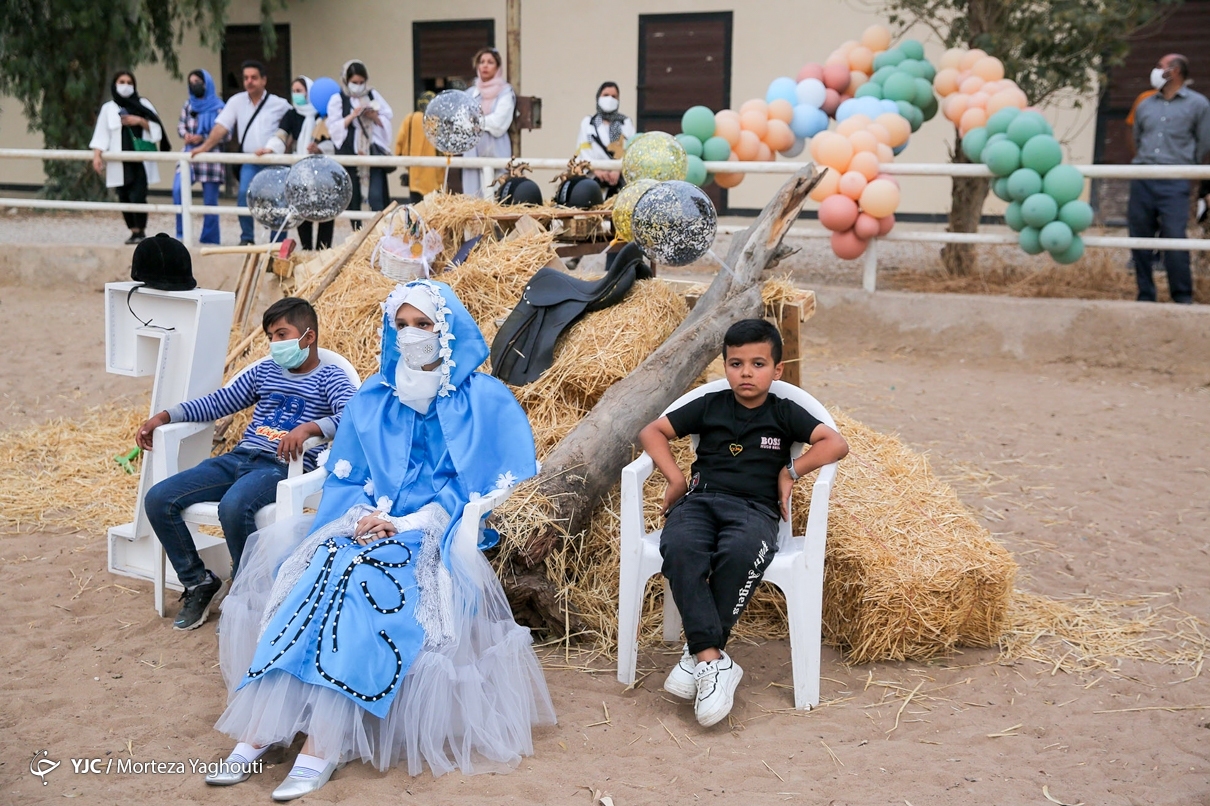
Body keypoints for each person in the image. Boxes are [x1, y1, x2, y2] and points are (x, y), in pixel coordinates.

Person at [206, 280, 555, 799]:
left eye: (423, 324)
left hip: (431, 532)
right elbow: (350, 474)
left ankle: (324, 741)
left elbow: (478, 486)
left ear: (447, 329)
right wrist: (366, 514)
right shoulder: (376, 393)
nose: (411, 335)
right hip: (365, 520)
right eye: (402, 325)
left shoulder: (483, 398)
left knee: (363, 578)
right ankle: (262, 729)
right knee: (319, 565)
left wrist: (410, 524)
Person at [638, 319, 849, 727]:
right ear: (724, 366)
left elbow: (835, 443)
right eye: (736, 364)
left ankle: (698, 654)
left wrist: (791, 471)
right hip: (698, 501)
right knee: (679, 548)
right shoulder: (711, 404)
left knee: (738, 553)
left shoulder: (783, 412)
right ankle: (713, 660)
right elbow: (652, 431)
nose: (746, 372)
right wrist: (676, 477)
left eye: (758, 363)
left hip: (755, 510)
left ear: (777, 369)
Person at [137, 296, 357, 631]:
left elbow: (354, 415)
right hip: (239, 458)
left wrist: (311, 428)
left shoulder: (330, 377)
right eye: (271, 336)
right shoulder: (266, 371)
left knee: (234, 506)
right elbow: (218, 402)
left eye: (282, 334)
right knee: (158, 498)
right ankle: (198, 582)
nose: (275, 344)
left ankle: (246, 591)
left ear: (308, 336)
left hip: (282, 468)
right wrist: (166, 415)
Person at [1128, 53, 1210, 304]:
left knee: (1174, 237)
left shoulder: (1198, 105)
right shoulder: (1145, 103)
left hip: (1175, 180)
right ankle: (1145, 295)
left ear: (1174, 71)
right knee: (1139, 237)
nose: (1155, 71)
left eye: (1160, 66)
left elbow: (1204, 142)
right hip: (1143, 178)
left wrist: (1186, 167)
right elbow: (1136, 138)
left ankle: (1182, 296)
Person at [192, 60, 291, 245]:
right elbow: (222, 127)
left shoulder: (280, 104)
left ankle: (277, 243)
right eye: (246, 78)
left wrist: (284, 147)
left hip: (275, 162)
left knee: (279, 201)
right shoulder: (236, 101)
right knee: (244, 195)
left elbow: (291, 127)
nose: (249, 81)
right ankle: (247, 239)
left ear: (264, 80)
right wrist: (204, 147)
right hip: (250, 160)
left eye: (254, 77)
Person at [89, 71, 166, 244]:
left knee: (138, 196)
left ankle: (141, 231)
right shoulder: (109, 108)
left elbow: (157, 129)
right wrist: (97, 156)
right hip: (119, 162)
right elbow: (101, 134)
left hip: (140, 160)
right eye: (121, 81)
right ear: (115, 84)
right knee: (123, 196)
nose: (125, 85)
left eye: (129, 82)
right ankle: (133, 231)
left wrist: (139, 121)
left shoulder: (143, 104)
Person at [267, 76, 336, 250]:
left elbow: (334, 140)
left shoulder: (325, 115)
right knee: (302, 209)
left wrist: (320, 149)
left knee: (325, 211)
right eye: (294, 91)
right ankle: (306, 250)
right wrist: (269, 149)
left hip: (323, 173)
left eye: (300, 91)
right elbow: (281, 134)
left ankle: (323, 251)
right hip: (301, 170)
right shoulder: (292, 114)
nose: (296, 94)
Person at [327, 60, 393, 229]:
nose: (358, 86)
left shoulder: (372, 95)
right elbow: (333, 127)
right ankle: (357, 233)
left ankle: (379, 231)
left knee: (376, 196)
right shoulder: (338, 98)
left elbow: (387, 117)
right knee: (353, 198)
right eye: (354, 82)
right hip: (351, 153)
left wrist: (374, 117)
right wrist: (353, 115)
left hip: (372, 152)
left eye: (361, 82)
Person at [174, 69, 227, 245]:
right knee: (178, 190)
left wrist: (204, 138)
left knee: (210, 201)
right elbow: (181, 126)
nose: (194, 85)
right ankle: (182, 233)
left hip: (210, 157)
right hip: (189, 154)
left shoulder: (219, 106)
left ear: (207, 83)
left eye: (198, 81)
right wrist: (186, 135)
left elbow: (226, 134)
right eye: (191, 82)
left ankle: (210, 238)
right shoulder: (188, 105)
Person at [461, 47, 515, 198]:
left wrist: (474, 123)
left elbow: (498, 124)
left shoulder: (505, 92)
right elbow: (460, 120)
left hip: (496, 150)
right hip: (472, 152)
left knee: (495, 194)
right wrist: (481, 123)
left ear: (498, 67)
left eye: (490, 62)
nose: (485, 65)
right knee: (472, 197)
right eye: (482, 62)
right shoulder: (470, 94)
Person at [576, 82, 635, 197]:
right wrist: (596, 170)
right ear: (598, 97)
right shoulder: (588, 123)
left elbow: (630, 150)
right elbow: (584, 151)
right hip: (593, 179)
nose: (610, 99)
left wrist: (617, 169)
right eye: (606, 95)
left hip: (619, 181)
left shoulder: (626, 123)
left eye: (614, 96)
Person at [393, 91, 443, 204]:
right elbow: (447, 150)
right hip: (435, 175)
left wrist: (399, 158)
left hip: (414, 173)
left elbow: (399, 143)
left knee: (416, 210)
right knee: (434, 212)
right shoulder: (438, 121)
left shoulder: (410, 119)